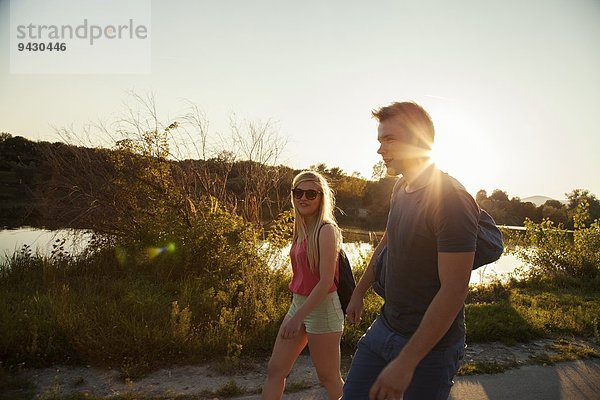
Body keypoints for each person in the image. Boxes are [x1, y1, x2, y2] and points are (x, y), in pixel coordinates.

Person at [343, 102, 479, 400]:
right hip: (385, 326)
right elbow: (387, 242)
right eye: (380, 140)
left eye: (389, 139)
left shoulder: (450, 199)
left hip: (431, 348)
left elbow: (454, 290)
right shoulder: (401, 188)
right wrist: (359, 290)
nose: (380, 149)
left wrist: (407, 361)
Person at [261, 171, 345, 400]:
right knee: (275, 370)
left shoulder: (326, 230)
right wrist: (296, 313)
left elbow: (326, 281)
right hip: (299, 304)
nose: (303, 198)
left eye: (310, 193)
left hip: (323, 308)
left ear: (321, 197)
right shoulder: (301, 228)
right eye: (298, 193)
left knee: (328, 378)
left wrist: (297, 318)